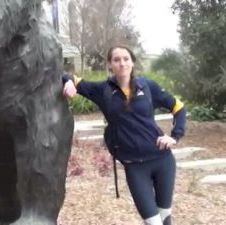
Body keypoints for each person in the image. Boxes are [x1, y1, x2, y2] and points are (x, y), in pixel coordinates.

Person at [62, 45, 186, 225]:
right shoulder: (102, 90)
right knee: (153, 222)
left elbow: (179, 107)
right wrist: (67, 81)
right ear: (110, 65)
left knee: (165, 217)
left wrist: (175, 136)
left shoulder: (148, 86)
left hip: (162, 160)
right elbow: (69, 77)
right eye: (116, 60)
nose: (122, 63)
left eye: (126, 59)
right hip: (135, 167)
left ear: (133, 62)